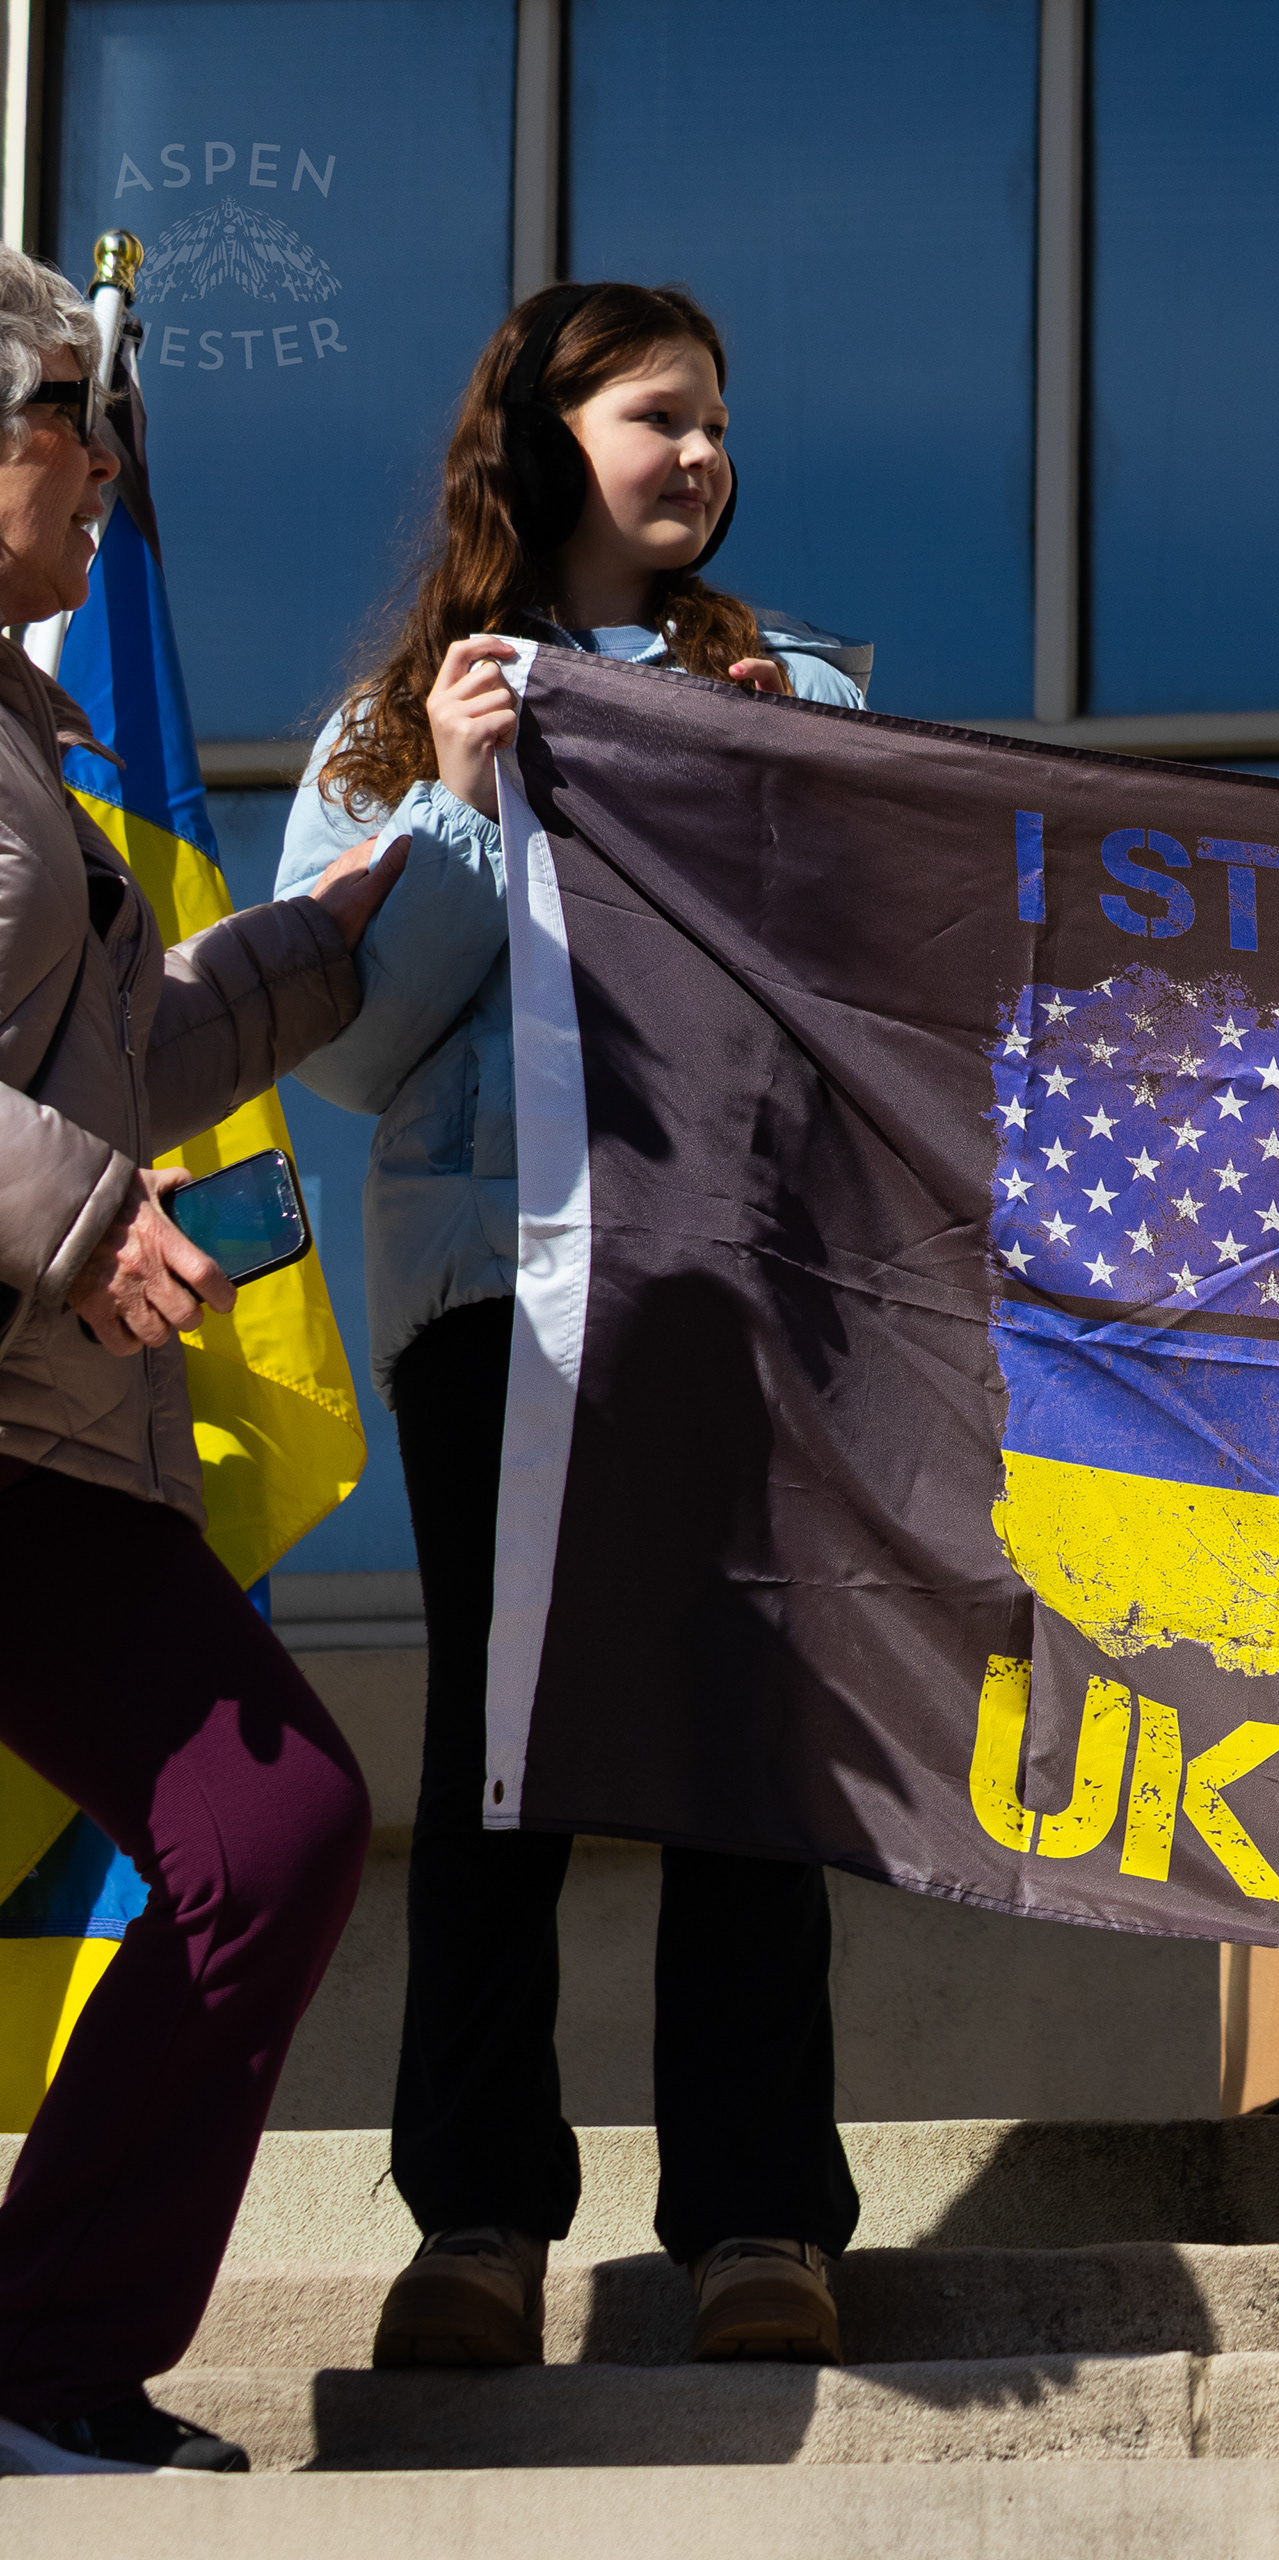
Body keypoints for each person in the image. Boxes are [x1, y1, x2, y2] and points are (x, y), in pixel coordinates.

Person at [274, 281, 869, 2372]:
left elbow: (869, 991)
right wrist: (448, 797)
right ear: (540, 435)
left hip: (727, 1293)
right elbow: (338, 1050)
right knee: (503, 1753)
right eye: (656, 415)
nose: (700, 453)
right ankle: (481, 2228)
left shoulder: (789, 689)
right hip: (495, 1304)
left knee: (740, 1740)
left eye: (718, 419)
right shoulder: (392, 722)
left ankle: (762, 2215)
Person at [0, 244, 404, 2474]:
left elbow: (120, 1054)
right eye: (77, 431)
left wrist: (320, 951)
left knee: (270, 1821)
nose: (106, 477)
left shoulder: (27, 752)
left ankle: (39, 2357)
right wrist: (70, 1211)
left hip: (44, 1445)